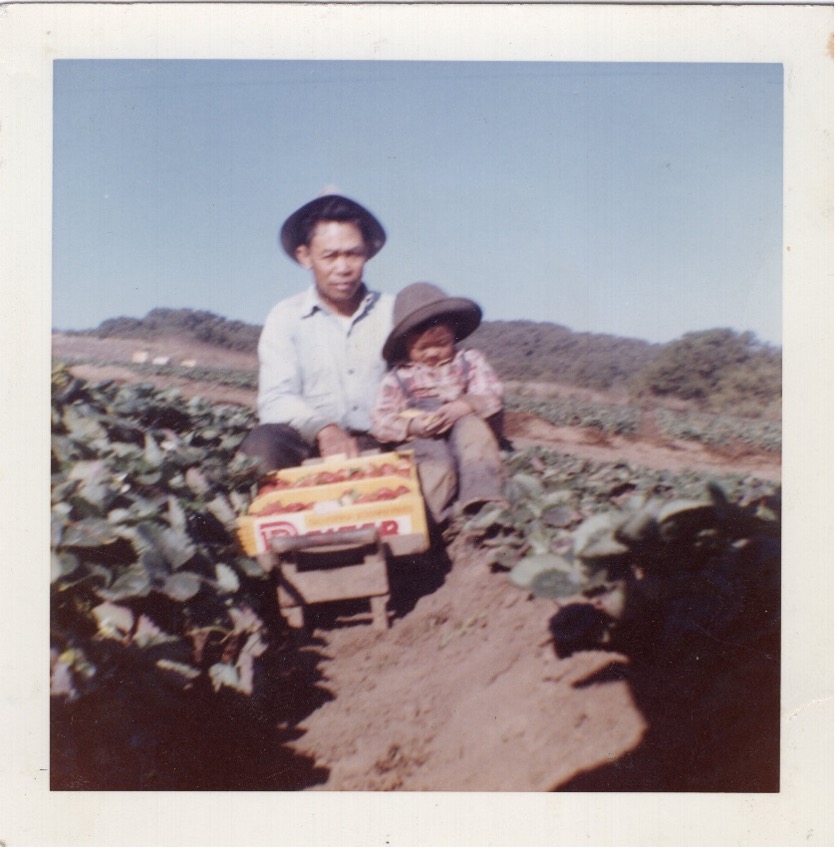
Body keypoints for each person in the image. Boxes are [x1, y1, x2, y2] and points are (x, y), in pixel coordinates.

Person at [240, 194, 395, 472]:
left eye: (353, 254)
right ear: (305, 256)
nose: (343, 268)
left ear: (367, 253)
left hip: (384, 442)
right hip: (312, 444)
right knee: (263, 442)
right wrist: (325, 428)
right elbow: (276, 399)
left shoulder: (393, 311)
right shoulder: (286, 317)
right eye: (330, 256)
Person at [370, 281, 507, 525]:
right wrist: (413, 425)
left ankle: (483, 501)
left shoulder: (469, 360)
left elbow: (492, 393)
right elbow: (381, 420)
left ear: (453, 335)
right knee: (435, 468)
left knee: (476, 438)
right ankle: (434, 522)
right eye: (422, 348)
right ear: (405, 346)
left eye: (441, 344)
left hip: (463, 420)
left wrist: (466, 404)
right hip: (423, 435)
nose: (433, 353)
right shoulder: (398, 377)